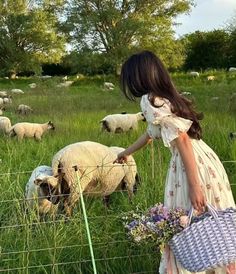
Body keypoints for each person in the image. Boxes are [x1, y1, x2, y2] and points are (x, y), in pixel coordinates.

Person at [114, 50, 236, 274]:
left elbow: (182, 141)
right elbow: (151, 134)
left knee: (188, 220)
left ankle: (194, 266)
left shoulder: (153, 101)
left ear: (141, 76)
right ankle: (217, 264)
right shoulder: (161, 98)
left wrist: (195, 185)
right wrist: (126, 151)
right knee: (212, 220)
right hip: (204, 160)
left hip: (190, 164)